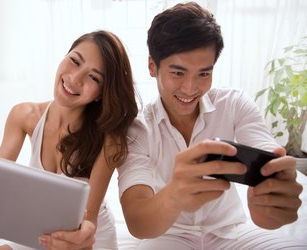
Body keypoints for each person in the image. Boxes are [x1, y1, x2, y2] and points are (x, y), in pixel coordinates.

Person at [118, 2, 306, 249]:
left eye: (203, 74)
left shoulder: (235, 104)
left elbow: (266, 153)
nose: (190, 88)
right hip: (167, 235)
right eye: (178, 73)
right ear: (152, 66)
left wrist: (274, 195)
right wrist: (174, 196)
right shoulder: (137, 129)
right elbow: (138, 224)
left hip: (232, 232)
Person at [0, 30, 138, 250]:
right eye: (74, 61)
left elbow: (90, 219)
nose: (75, 79)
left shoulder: (109, 137)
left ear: (100, 93)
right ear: (64, 57)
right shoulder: (24, 116)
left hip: (87, 239)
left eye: (94, 77)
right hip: (40, 229)